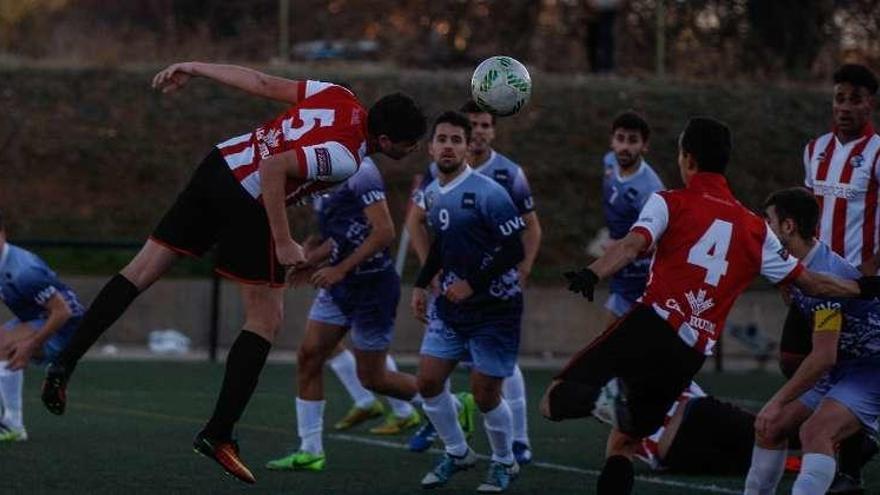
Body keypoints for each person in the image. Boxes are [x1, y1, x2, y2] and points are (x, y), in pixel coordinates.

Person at [39, 61, 426, 484]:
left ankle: (64, 361)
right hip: (250, 199)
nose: (410, 152)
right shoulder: (346, 158)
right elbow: (274, 168)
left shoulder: (339, 95)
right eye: (409, 145)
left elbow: (261, 82)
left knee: (142, 268)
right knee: (266, 319)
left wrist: (196, 67)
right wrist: (281, 240)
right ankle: (218, 433)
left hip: (218, 164)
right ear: (386, 140)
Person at [542, 117, 880, 495]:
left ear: (687, 158)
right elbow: (812, 283)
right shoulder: (755, 228)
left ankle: (605, 398)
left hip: (652, 323)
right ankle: (613, 406)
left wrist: (592, 273)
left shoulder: (670, 200)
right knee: (625, 444)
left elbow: (632, 244)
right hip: (690, 353)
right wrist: (864, 286)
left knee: (553, 401)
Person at [264, 154, 421, 472]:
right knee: (309, 356)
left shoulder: (361, 170)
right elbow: (341, 235)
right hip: (340, 289)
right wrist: (313, 260)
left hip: (372, 287)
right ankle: (310, 450)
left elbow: (383, 232)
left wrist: (339, 269)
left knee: (374, 377)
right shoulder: (321, 175)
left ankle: (452, 404)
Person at [405, 100, 539, 464]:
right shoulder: (436, 183)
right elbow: (429, 227)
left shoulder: (505, 177)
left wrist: (521, 271)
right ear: (432, 146)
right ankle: (453, 441)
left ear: (488, 133)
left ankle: (515, 445)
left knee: (493, 380)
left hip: (493, 297)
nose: (477, 132)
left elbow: (524, 234)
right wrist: (425, 277)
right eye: (443, 139)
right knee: (430, 378)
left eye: (482, 126)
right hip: (453, 295)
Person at [744, 187, 880, 495]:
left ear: (788, 227)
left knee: (815, 431)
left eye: (768, 221)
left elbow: (823, 357)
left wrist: (776, 400)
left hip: (870, 369)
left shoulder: (824, 277)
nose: (763, 228)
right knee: (770, 427)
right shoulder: (794, 264)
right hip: (842, 366)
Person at [0, 212, 84, 442]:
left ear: (3, 235)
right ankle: (10, 422)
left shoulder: (24, 271)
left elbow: (63, 311)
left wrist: (30, 345)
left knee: (4, 346)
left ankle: (13, 425)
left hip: (67, 328)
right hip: (38, 318)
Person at [600, 111, 664, 324]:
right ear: (612, 141)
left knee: (610, 339)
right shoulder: (609, 162)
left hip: (639, 274)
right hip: (620, 262)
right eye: (620, 139)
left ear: (644, 146)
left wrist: (619, 245)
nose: (625, 147)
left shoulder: (650, 190)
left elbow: (659, 240)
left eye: (633, 141)